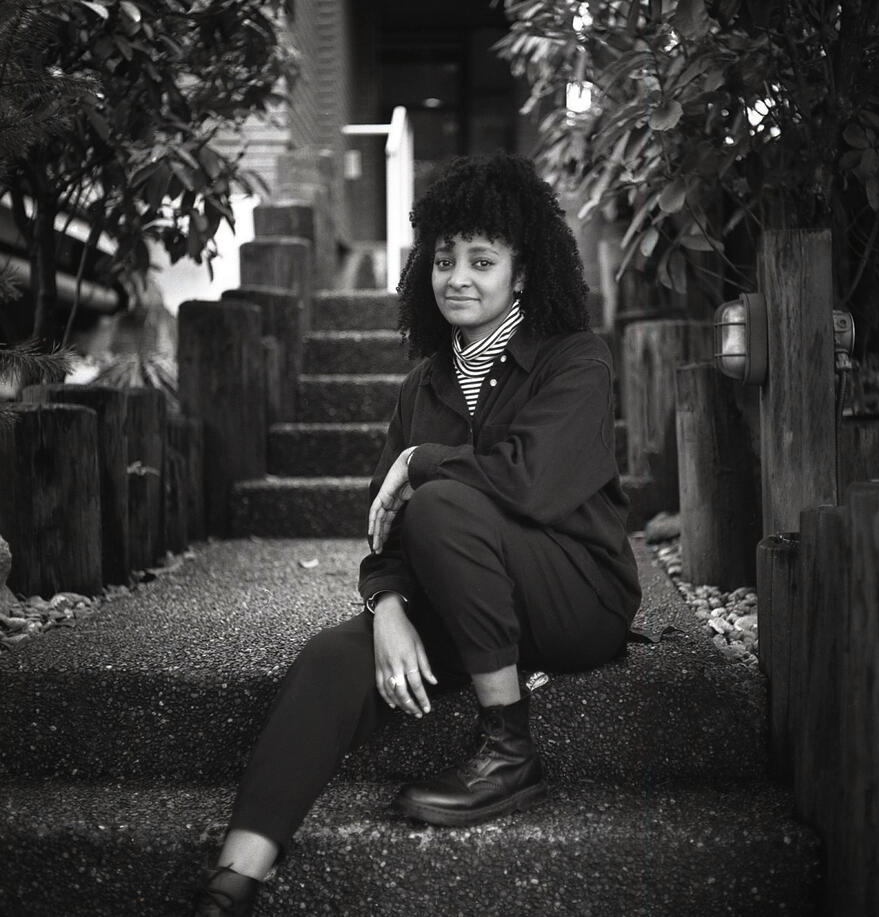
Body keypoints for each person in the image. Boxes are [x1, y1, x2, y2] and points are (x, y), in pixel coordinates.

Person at [193, 151, 641, 916]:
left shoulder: (576, 362)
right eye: (444, 259)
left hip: (575, 596)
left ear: (521, 273)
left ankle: (508, 750)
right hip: (469, 597)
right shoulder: (424, 381)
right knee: (334, 654)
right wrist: (390, 608)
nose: (457, 277)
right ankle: (238, 873)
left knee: (438, 502)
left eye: (482, 260)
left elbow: (529, 483)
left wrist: (419, 460)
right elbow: (386, 532)